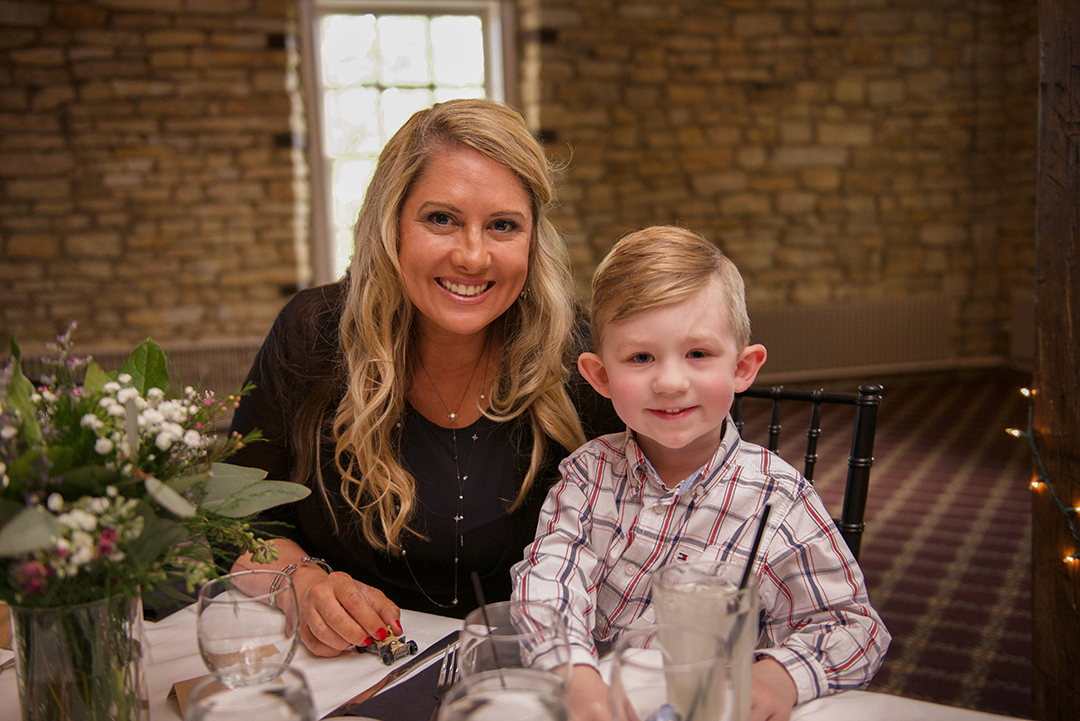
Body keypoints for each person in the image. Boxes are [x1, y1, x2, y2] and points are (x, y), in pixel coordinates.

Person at [226, 98, 619, 658]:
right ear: (392, 225)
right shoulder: (313, 334)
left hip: (532, 675)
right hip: (354, 672)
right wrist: (303, 586)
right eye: (442, 219)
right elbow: (233, 518)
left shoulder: (578, 357)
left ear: (533, 241)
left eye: (503, 226)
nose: (474, 255)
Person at [511, 226, 890, 721]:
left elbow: (853, 625)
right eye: (641, 357)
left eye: (698, 354)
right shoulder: (588, 474)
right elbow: (548, 585)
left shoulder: (779, 498)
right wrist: (572, 675)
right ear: (601, 376)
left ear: (743, 368)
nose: (670, 382)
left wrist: (782, 676)